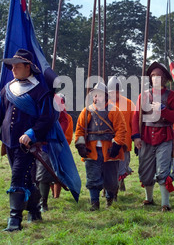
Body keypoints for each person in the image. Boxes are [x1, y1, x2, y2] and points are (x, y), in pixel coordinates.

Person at [0, 49, 56, 232]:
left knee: (17, 178)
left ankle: (14, 220)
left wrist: (32, 133)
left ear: (28, 67)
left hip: (27, 146)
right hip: (8, 142)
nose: (13, 69)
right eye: (12, 66)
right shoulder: (7, 88)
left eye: (17, 66)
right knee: (26, 181)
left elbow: (47, 118)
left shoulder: (41, 91)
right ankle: (35, 210)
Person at [132, 62, 174, 212]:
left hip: (165, 138)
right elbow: (136, 117)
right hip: (146, 137)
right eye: (153, 76)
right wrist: (136, 137)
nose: (155, 78)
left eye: (158, 76)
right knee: (145, 171)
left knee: (163, 171)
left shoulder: (172, 96)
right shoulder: (143, 95)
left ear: (165, 79)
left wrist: (164, 110)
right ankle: (149, 198)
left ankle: (165, 204)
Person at [75, 82, 127, 211]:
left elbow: (121, 129)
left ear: (105, 96)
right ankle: (94, 203)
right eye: (95, 95)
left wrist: (116, 144)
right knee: (93, 178)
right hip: (91, 150)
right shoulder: (86, 111)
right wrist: (81, 145)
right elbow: (80, 130)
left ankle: (109, 200)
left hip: (109, 150)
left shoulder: (114, 110)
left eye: (99, 95)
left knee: (111, 180)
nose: (97, 97)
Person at [35, 93, 71, 211]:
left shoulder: (57, 100)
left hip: (49, 143)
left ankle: (43, 203)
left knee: (45, 174)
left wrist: (53, 135)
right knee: (35, 174)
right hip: (32, 141)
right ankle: (35, 201)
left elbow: (64, 121)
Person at [107, 76, 135, 193]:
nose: (114, 94)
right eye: (112, 92)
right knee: (109, 167)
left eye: (116, 92)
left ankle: (118, 185)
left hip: (124, 142)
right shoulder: (104, 104)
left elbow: (133, 123)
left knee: (122, 166)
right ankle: (111, 188)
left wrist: (136, 137)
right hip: (108, 142)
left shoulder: (129, 104)